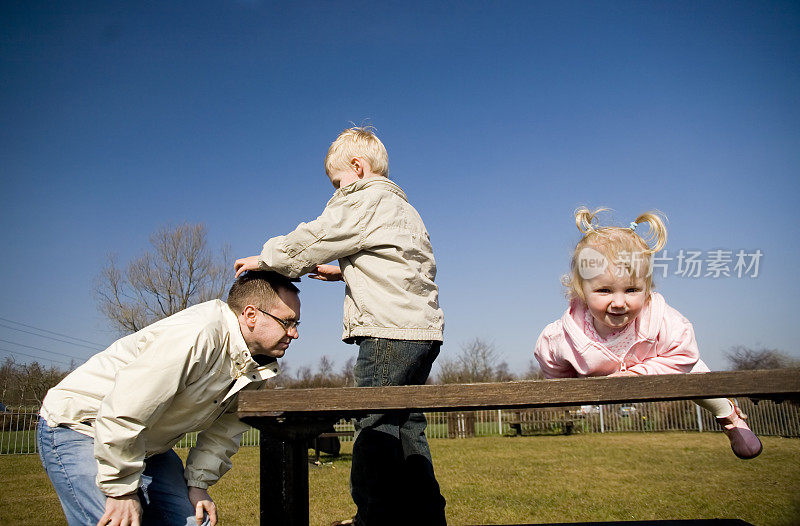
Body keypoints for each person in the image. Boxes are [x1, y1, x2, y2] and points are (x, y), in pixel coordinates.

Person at [234, 126, 446, 526]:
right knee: (407, 424)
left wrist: (269, 260)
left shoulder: (363, 199)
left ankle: (374, 516)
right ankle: (426, 517)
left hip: (388, 332)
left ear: (358, 167)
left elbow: (319, 234)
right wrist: (347, 272)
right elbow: (402, 269)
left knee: (374, 423)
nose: (336, 190)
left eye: (337, 182)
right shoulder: (404, 208)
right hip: (422, 333)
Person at [38, 271, 301, 526]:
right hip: (83, 426)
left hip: (145, 444)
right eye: (286, 322)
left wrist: (198, 484)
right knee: (119, 520)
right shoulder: (198, 333)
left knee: (195, 520)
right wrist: (121, 491)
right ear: (251, 315)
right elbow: (124, 409)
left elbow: (224, 433)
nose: (294, 333)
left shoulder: (259, 368)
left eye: (296, 324)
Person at [534, 207, 762, 459]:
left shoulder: (662, 321)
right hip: (602, 375)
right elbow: (551, 362)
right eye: (605, 291)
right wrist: (570, 392)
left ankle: (729, 416)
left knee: (699, 378)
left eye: (631, 290)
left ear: (648, 288)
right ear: (582, 292)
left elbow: (684, 355)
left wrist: (634, 376)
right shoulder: (564, 336)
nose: (619, 302)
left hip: (663, 363)